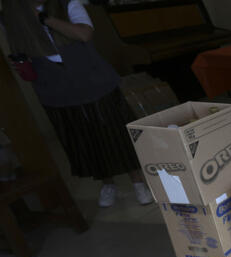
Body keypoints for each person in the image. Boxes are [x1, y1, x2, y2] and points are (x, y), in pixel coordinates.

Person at [2, 0, 152, 208]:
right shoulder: (13, 15)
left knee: (115, 132)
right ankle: (107, 183)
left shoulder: (68, 4)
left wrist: (44, 19)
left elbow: (84, 34)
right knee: (84, 138)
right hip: (56, 88)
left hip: (94, 81)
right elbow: (19, 47)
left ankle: (138, 181)